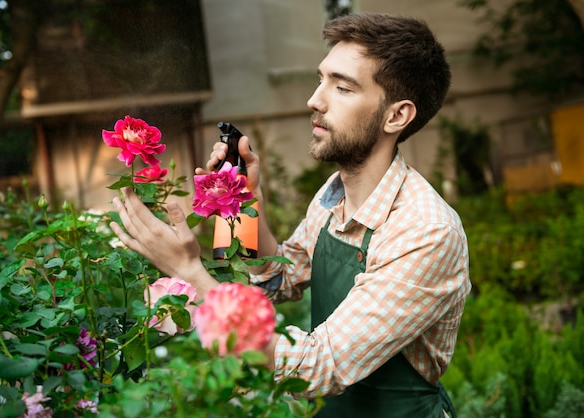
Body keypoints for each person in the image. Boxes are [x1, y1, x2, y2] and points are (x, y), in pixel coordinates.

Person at [110, 12, 471, 418]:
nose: (315, 100)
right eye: (321, 80)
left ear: (396, 116)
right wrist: (241, 203)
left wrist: (189, 269)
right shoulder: (333, 196)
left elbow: (315, 366)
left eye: (342, 87)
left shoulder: (425, 230)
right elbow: (274, 279)